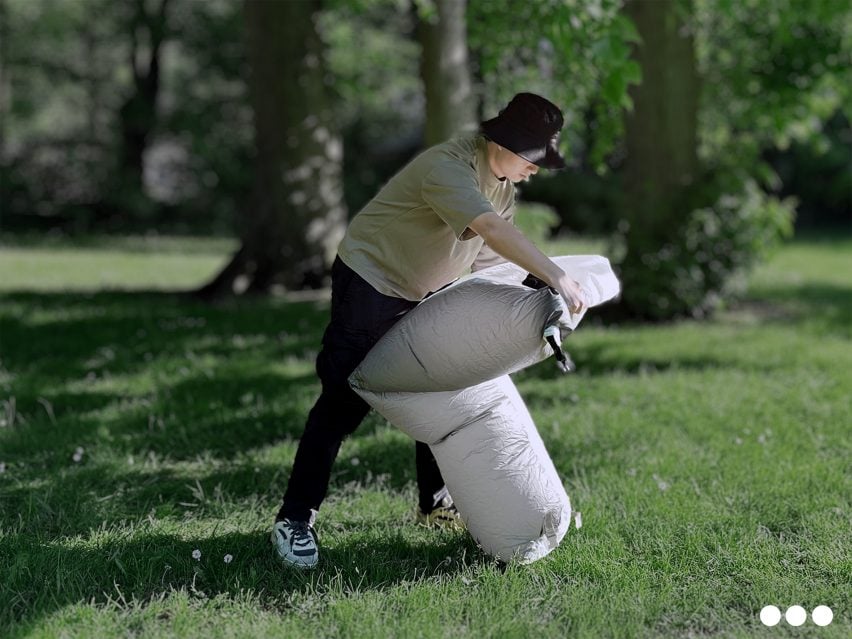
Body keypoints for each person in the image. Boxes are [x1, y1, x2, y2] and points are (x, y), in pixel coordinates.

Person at [271, 92, 586, 568]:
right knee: (342, 402)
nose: (536, 169)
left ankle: (433, 505)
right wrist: (554, 272)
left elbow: (491, 261)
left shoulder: (502, 186)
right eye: (534, 158)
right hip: (371, 284)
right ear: (506, 142)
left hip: (423, 291)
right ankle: (294, 519)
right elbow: (491, 230)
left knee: (437, 377)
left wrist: (543, 299)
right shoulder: (450, 168)